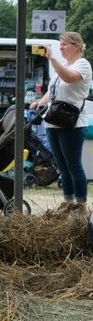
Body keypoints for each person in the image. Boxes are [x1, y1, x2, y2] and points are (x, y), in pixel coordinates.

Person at [30, 32, 92, 214]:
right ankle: (67, 202)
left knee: (74, 165)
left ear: (77, 46)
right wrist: (40, 102)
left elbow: (69, 78)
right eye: (60, 44)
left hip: (72, 124)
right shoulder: (63, 65)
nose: (61, 47)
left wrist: (51, 58)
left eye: (64, 44)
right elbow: (54, 90)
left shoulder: (83, 64)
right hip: (54, 122)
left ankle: (80, 205)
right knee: (62, 166)